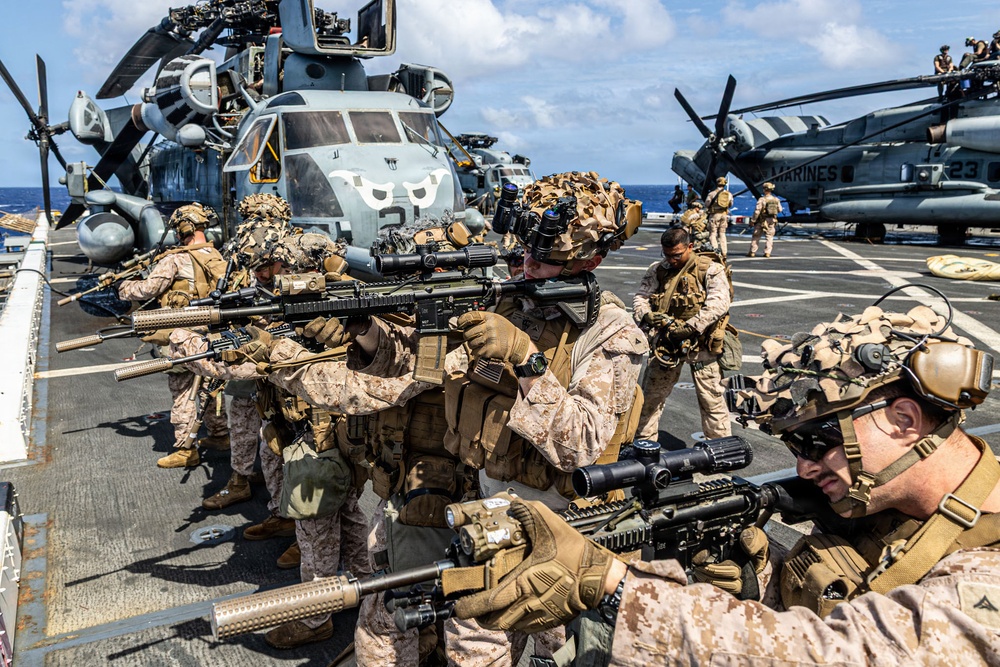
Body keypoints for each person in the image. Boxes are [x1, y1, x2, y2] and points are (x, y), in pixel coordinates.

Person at [450, 303, 1000, 665]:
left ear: (903, 420)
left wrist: (615, 585)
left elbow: (835, 653)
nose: (804, 469)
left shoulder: (985, 572)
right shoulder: (885, 510)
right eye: (795, 450)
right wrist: (760, 577)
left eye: (816, 443)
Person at [172, 194, 293, 511]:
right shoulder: (242, 249)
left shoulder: (292, 252)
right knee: (242, 418)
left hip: (281, 357)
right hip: (247, 349)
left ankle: (279, 505)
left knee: (278, 433)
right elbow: (229, 289)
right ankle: (242, 479)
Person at [117, 203, 229, 468]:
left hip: (183, 334)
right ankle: (220, 435)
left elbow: (148, 289)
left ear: (184, 228)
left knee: (182, 391)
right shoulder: (216, 255)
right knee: (210, 387)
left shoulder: (176, 259)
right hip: (213, 333)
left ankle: (185, 449)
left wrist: (123, 288)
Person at [632, 226, 732, 442]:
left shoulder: (710, 269)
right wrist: (646, 314)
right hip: (666, 344)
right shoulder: (658, 269)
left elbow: (719, 303)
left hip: (700, 344)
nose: (672, 260)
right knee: (651, 398)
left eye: (677, 255)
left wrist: (691, 327)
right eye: (667, 255)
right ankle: (644, 443)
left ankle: (720, 446)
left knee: (712, 399)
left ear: (690, 246)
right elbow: (641, 297)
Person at [748, 181, 782, 258]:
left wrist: (753, 221)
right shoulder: (776, 199)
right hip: (772, 220)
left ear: (764, 189)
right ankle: (767, 253)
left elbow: (757, 211)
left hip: (762, 220)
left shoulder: (762, 199)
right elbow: (780, 209)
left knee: (756, 236)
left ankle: (752, 252)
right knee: (769, 237)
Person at [705, 176, 733, 257]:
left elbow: (707, 204)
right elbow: (731, 204)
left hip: (714, 215)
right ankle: (724, 252)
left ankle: (715, 252)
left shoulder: (712, 194)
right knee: (722, 234)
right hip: (724, 215)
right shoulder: (729, 194)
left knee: (713, 234)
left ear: (717, 183)